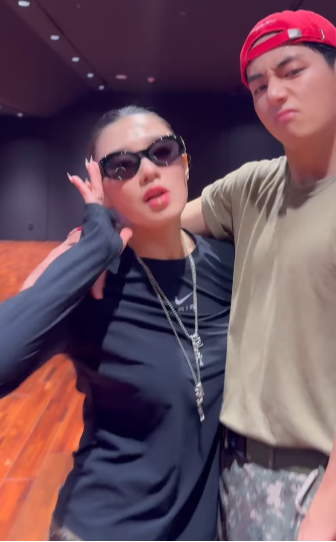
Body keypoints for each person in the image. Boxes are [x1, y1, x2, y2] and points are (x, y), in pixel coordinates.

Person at [25, 11, 336, 541]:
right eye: (259, 84)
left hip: (315, 481)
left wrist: (320, 530)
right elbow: (154, 220)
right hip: (229, 471)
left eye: (292, 71)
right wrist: (80, 249)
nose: (275, 93)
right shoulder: (252, 186)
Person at [0, 106, 234, 541]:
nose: (148, 171)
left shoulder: (228, 265)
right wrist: (91, 251)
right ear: (101, 191)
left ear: (184, 164)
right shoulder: (94, 286)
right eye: (123, 166)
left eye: (162, 152)